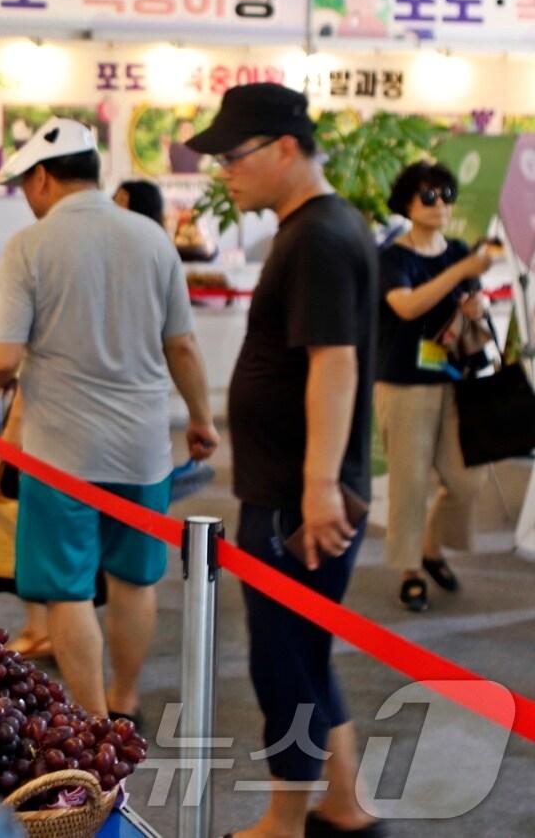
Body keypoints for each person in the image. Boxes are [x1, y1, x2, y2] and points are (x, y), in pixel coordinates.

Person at [0, 117, 218, 722]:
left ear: (44, 177)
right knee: (135, 580)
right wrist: (201, 417)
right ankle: (126, 700)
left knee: (68, 588)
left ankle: (94, 717)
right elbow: (183, 346)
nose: (26, 193)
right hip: (143, 449)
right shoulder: (153, 239)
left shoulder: (30, 245)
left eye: (26, 181)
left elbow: (3, 356)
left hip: (60, 452)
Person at [184, 83, 382, 838]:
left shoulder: (319, 238)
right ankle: (345, 801)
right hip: (294, 486)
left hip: (299, 496)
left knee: (283, 658)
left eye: (233, 156)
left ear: (286, 149)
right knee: (303, 646)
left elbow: (336, 364)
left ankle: (285, 817)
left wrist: (318, 486)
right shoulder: (317, 230)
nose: (225, 172)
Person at [377, 162, 493, 613]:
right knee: (409, 483)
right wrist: (460, 270)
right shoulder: (393, 258)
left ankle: (430, 547)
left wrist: (476, 309)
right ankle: (411, 571)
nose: (440, 203)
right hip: (405, 383)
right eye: (428, 196)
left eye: (445, 193)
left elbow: (471, 309)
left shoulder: (459, 251)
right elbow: (406, 307)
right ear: (406, 204)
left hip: (456, 379)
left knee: (468, 478)